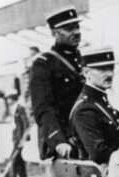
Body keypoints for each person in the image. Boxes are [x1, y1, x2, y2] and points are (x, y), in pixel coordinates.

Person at [29, 6, 85, 159]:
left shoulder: (83, 60)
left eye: (77, 27)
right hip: (67, 142)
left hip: (89, 135)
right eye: (69, 29)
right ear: (54, 33)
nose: (76, 32)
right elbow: (43, 108)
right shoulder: (44, 64)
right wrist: (58, 141)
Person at [70, 47, 119, 164]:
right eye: (102, 69)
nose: (110, 74)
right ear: (86, 72)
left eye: (111, 68)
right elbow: (99, 154)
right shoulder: (84, 109)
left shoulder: (101, 102)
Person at [1, 92, 29, 177]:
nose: (7, 101)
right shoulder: (14, 108)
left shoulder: (20, 108)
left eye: (8, 99)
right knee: (18, 157)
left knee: (14, 156)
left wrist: (23, 137)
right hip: (16, 135)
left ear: (13, 99)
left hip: (19, 136)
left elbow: (25, 123)